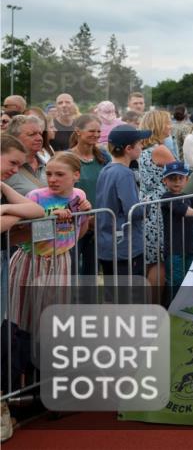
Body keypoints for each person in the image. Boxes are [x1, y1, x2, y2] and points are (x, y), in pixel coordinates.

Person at [9, 152, 92, 341]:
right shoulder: (35, 196)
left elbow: (79, 232)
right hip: (31, 261)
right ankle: (20, 363)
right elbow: (24, 233)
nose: (53, 179)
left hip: (61, 260)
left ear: (76, 175)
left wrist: (85, 214)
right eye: (49, 174)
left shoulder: (79, 195)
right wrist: (48, 217)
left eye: (60, 174)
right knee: (22, 312)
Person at [0, 136, 45, 443]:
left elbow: (37, 211)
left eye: (19, 164)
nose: (15, 170)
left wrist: (6, 210)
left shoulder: (3, 186)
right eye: (12, 163)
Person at [95, 124, 150, 280]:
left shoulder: (106, 170)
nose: (142, 146)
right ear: (128, 148)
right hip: (126, 247)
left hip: (108, 245)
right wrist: (147, 205)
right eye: (139, 143)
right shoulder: (124, 174)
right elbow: (134, 211)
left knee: (113, 296)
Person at [138, 110, 176, 291]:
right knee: (158, 261)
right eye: (167, 123)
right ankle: (156, 307)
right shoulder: (160, 150)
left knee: (150, 259)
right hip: (160, 209)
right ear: (158, 126)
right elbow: (180, 175)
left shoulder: (143, 151)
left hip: (148, 206)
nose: (171, 126)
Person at [69, 115, 110, 276]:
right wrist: (84, 218)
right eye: (91, 130)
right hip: (74, 223)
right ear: (78, 132)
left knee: (91, 271)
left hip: (99, 222)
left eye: (99, 131)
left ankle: (89, 301)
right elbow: (63, 190)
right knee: (71, 269)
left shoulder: (104, 157)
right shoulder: (67, 158)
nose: (96, 134)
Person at [159, 161, 193, 302]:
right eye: (172, 178)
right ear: (165, 180)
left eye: (180, 178)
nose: (177, 182)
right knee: (175, 282)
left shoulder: (188, 197)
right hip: (174, 250)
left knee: (189, 280)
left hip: (189, 247)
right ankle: (171, 311)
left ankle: (185, 309)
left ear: (187, 179)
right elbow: (184, 211)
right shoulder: (167, 198)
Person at [5, 115, 47, 196]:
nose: (39, 138)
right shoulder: (5, 169)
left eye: (40, 133)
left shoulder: (48, 164)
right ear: (15, 138)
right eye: (32, 134)